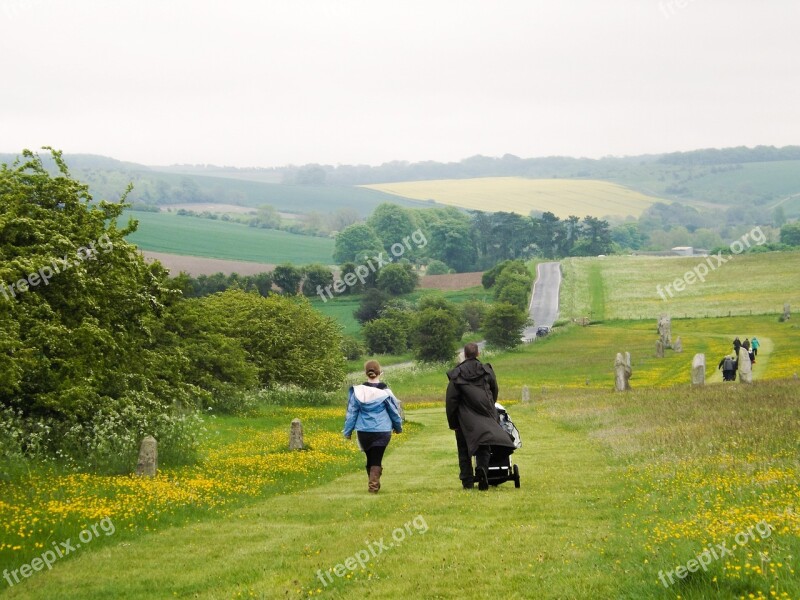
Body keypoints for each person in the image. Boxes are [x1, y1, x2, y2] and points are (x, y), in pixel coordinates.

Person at [446, 343, 515, 490]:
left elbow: (451, 400)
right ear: (478, 354)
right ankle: (482, 469)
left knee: (464, 449)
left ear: (464, 354)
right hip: (485, 414)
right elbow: (494, 390)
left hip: (464, 419)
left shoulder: (457, 374)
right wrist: (491, 408)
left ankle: (467, 481)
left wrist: (453, 423)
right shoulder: (486, 371)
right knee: (484, 444)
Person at [343, 360, 403, 494]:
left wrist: (348, 431)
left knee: (370, 458)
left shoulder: (358, 392)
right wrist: (398, 427)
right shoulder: (385, 392)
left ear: (366, 373)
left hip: (364, 431)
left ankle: (373, 483)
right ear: (379, 373)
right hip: (382, 430)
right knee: (376, 458)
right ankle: (373, 485)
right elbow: (394, 411)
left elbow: (352, 413)